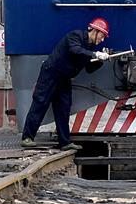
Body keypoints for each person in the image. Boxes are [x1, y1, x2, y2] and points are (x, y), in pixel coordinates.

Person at [21, 18, 110, 150]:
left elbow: (89, 68)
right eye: (102, 36)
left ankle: (65, 142)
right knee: (40, 104)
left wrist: (101, 60)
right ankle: (27, 138)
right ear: (95, 31)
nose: (102, 40)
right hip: (51, 74)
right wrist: (95, 54)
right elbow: (75, 50)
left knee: (63, 109)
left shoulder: (90, 47)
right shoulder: (75, 36)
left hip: (64, 78)